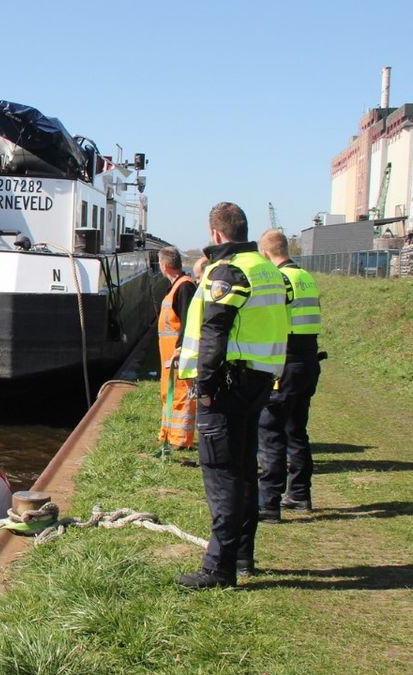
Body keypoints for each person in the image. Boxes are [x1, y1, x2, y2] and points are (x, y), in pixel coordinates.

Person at [175, 203, 289, 588]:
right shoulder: (268, 270)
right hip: (257, 381)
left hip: (226, 385)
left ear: (217, 235)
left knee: (222, 475)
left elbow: (214, 332)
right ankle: (242, 555)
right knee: (242, 471)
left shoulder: (229, 272)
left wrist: (205, 389)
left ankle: (218, 569)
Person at [256, 229, 323, 520]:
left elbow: (270, 320)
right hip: (308, 361)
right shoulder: (305, 277)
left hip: (287, 362)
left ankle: (268, 502)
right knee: (297, 431)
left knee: (270, 431)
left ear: (267, 254)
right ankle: (299, 494)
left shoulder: (281, 280)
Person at [156, 246, 198, 457]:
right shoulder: (177, 286)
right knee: (169, 394)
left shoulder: (184, 287)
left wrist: (181, 348)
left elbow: (188, 321)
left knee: (181, 394)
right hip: (168, 356)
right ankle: (168, 434)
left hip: (177, 355)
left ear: (164, 266)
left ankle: (180, 440)